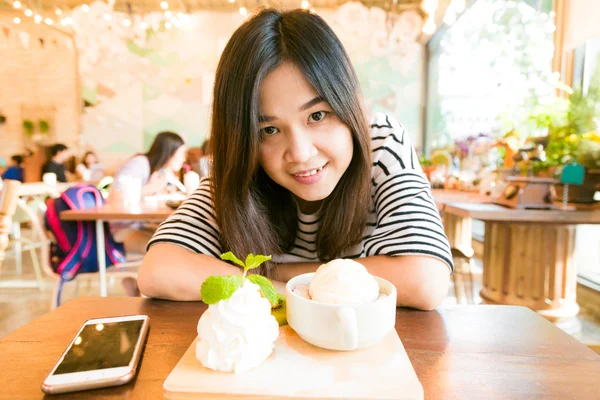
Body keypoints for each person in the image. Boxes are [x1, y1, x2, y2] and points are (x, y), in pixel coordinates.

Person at [139, 9, 453, 310]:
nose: (301, 153)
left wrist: (274, 276)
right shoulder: (242, 172)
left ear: (349, 105)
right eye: (269, 130)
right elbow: (159, 270)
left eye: (317, 115)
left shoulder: (380, 142)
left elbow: (426, 280)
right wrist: (284, 293)